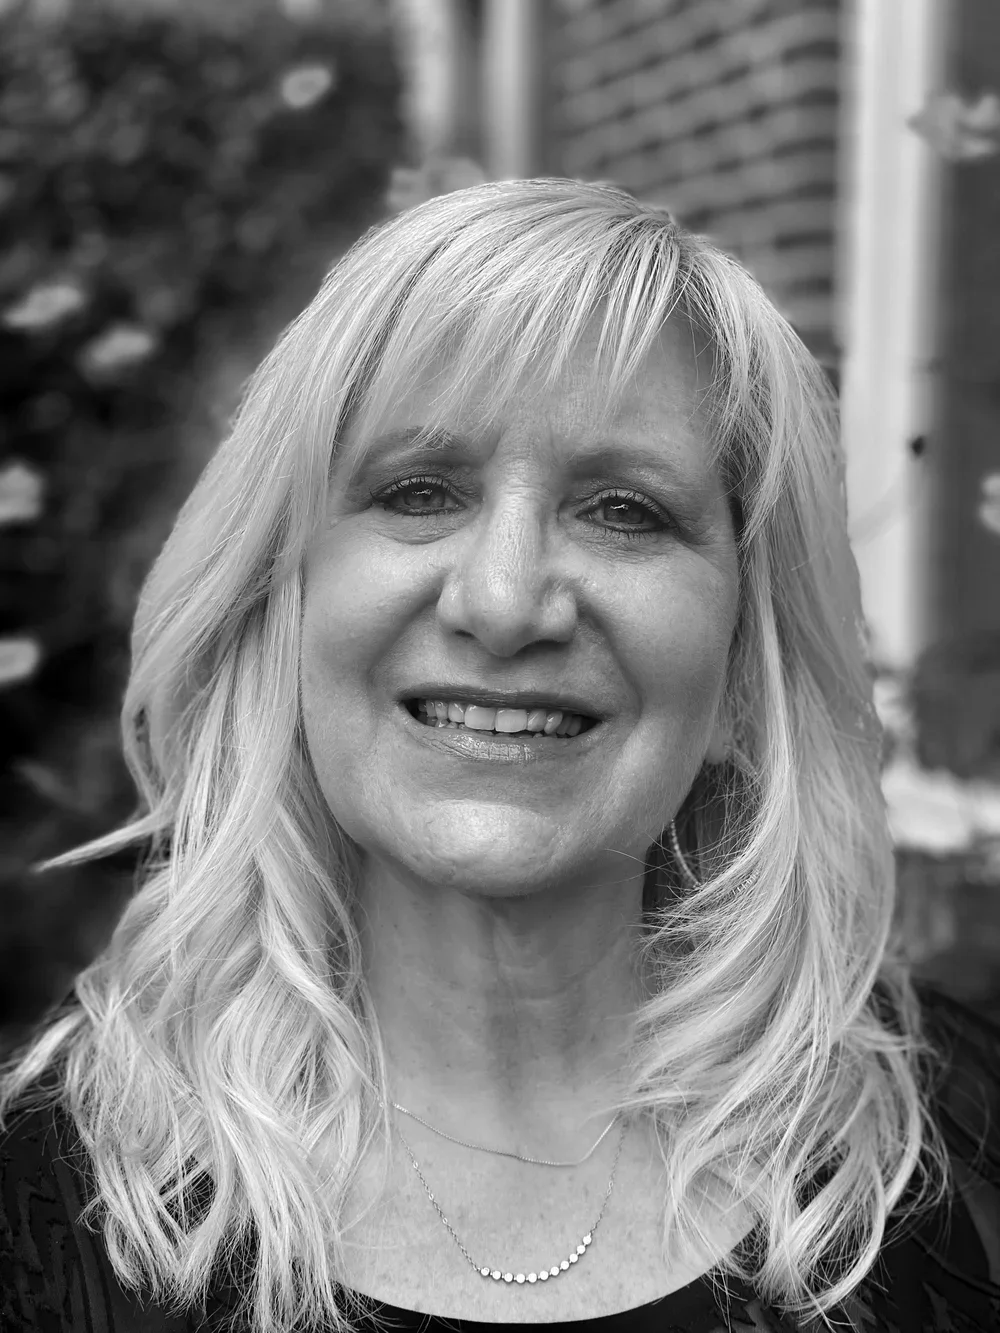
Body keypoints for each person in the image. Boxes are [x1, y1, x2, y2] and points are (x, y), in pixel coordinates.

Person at [1, 178, 998, 1333]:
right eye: (419, 491)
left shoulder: (958, 1162)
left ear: (741, 666)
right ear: (279, 607)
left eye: (624, 509)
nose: (505, 598)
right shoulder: (45, 1221)